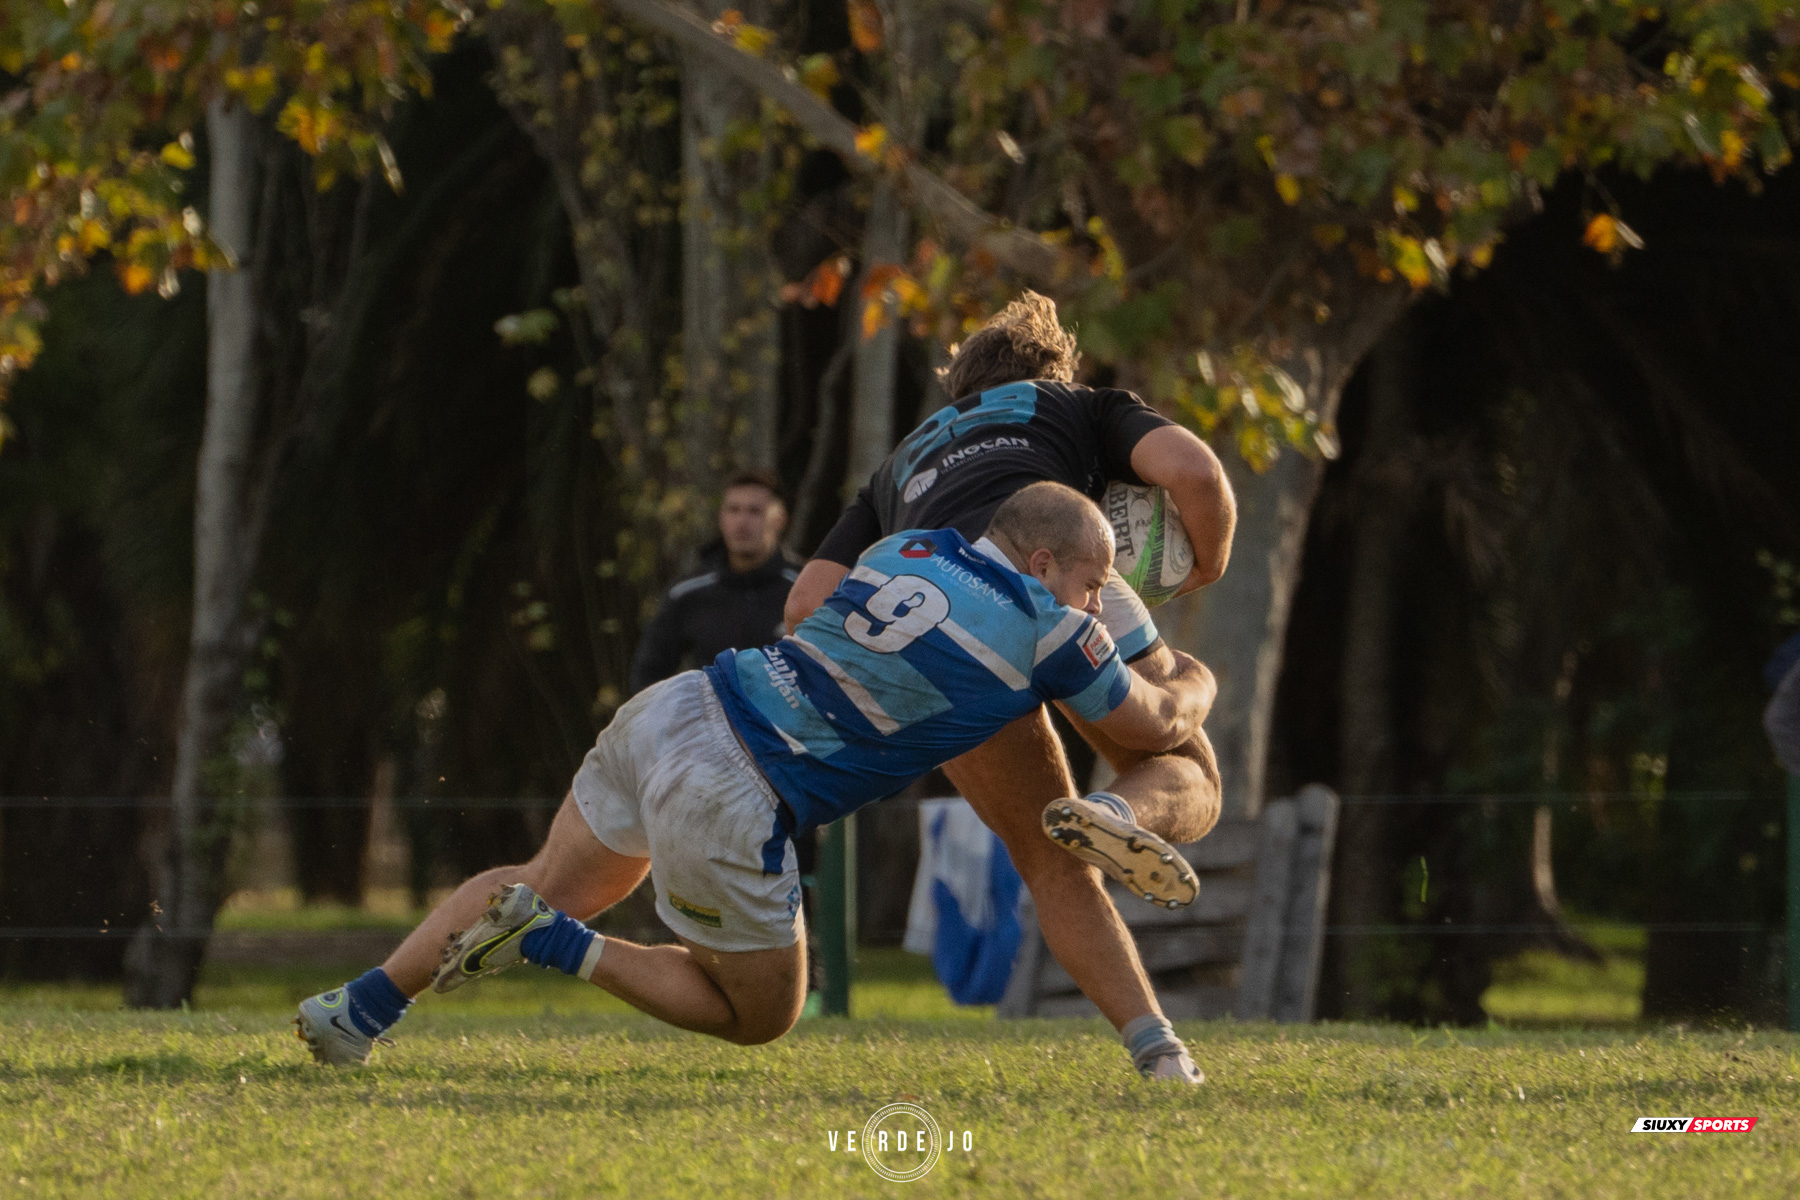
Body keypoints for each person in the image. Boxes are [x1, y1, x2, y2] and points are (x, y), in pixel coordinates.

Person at [296, 483, 1215, 1081]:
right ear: (1045, 564)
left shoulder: (911, 549)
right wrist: (1198, 679)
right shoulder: (1058, 629)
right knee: (761, 1015)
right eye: (1094, 582)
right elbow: (1155, 726)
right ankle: (553, 942)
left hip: (679, 706)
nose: (1099, 602)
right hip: (737, 785)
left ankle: (357, 1010)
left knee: (541, 874)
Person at [782, 291, 1235, 1037]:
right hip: (1064, 577)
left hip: (944, 634)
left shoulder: (900, 462)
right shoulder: (1074, 404)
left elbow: (805, 603)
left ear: (959, 392)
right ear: (1055, 371)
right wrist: (1204, 569)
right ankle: (1116, 813)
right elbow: (1195, 472)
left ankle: (1154, 1044)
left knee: (1049, 860)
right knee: (1188, 772)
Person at [630, 469, 801, 695]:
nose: (742, 522)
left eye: (755, 511)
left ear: (779, 519)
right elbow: (647, 679)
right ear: (721, 517)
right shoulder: (687, 593)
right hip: (711, 716)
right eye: (733, 510)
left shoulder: (804, 589)